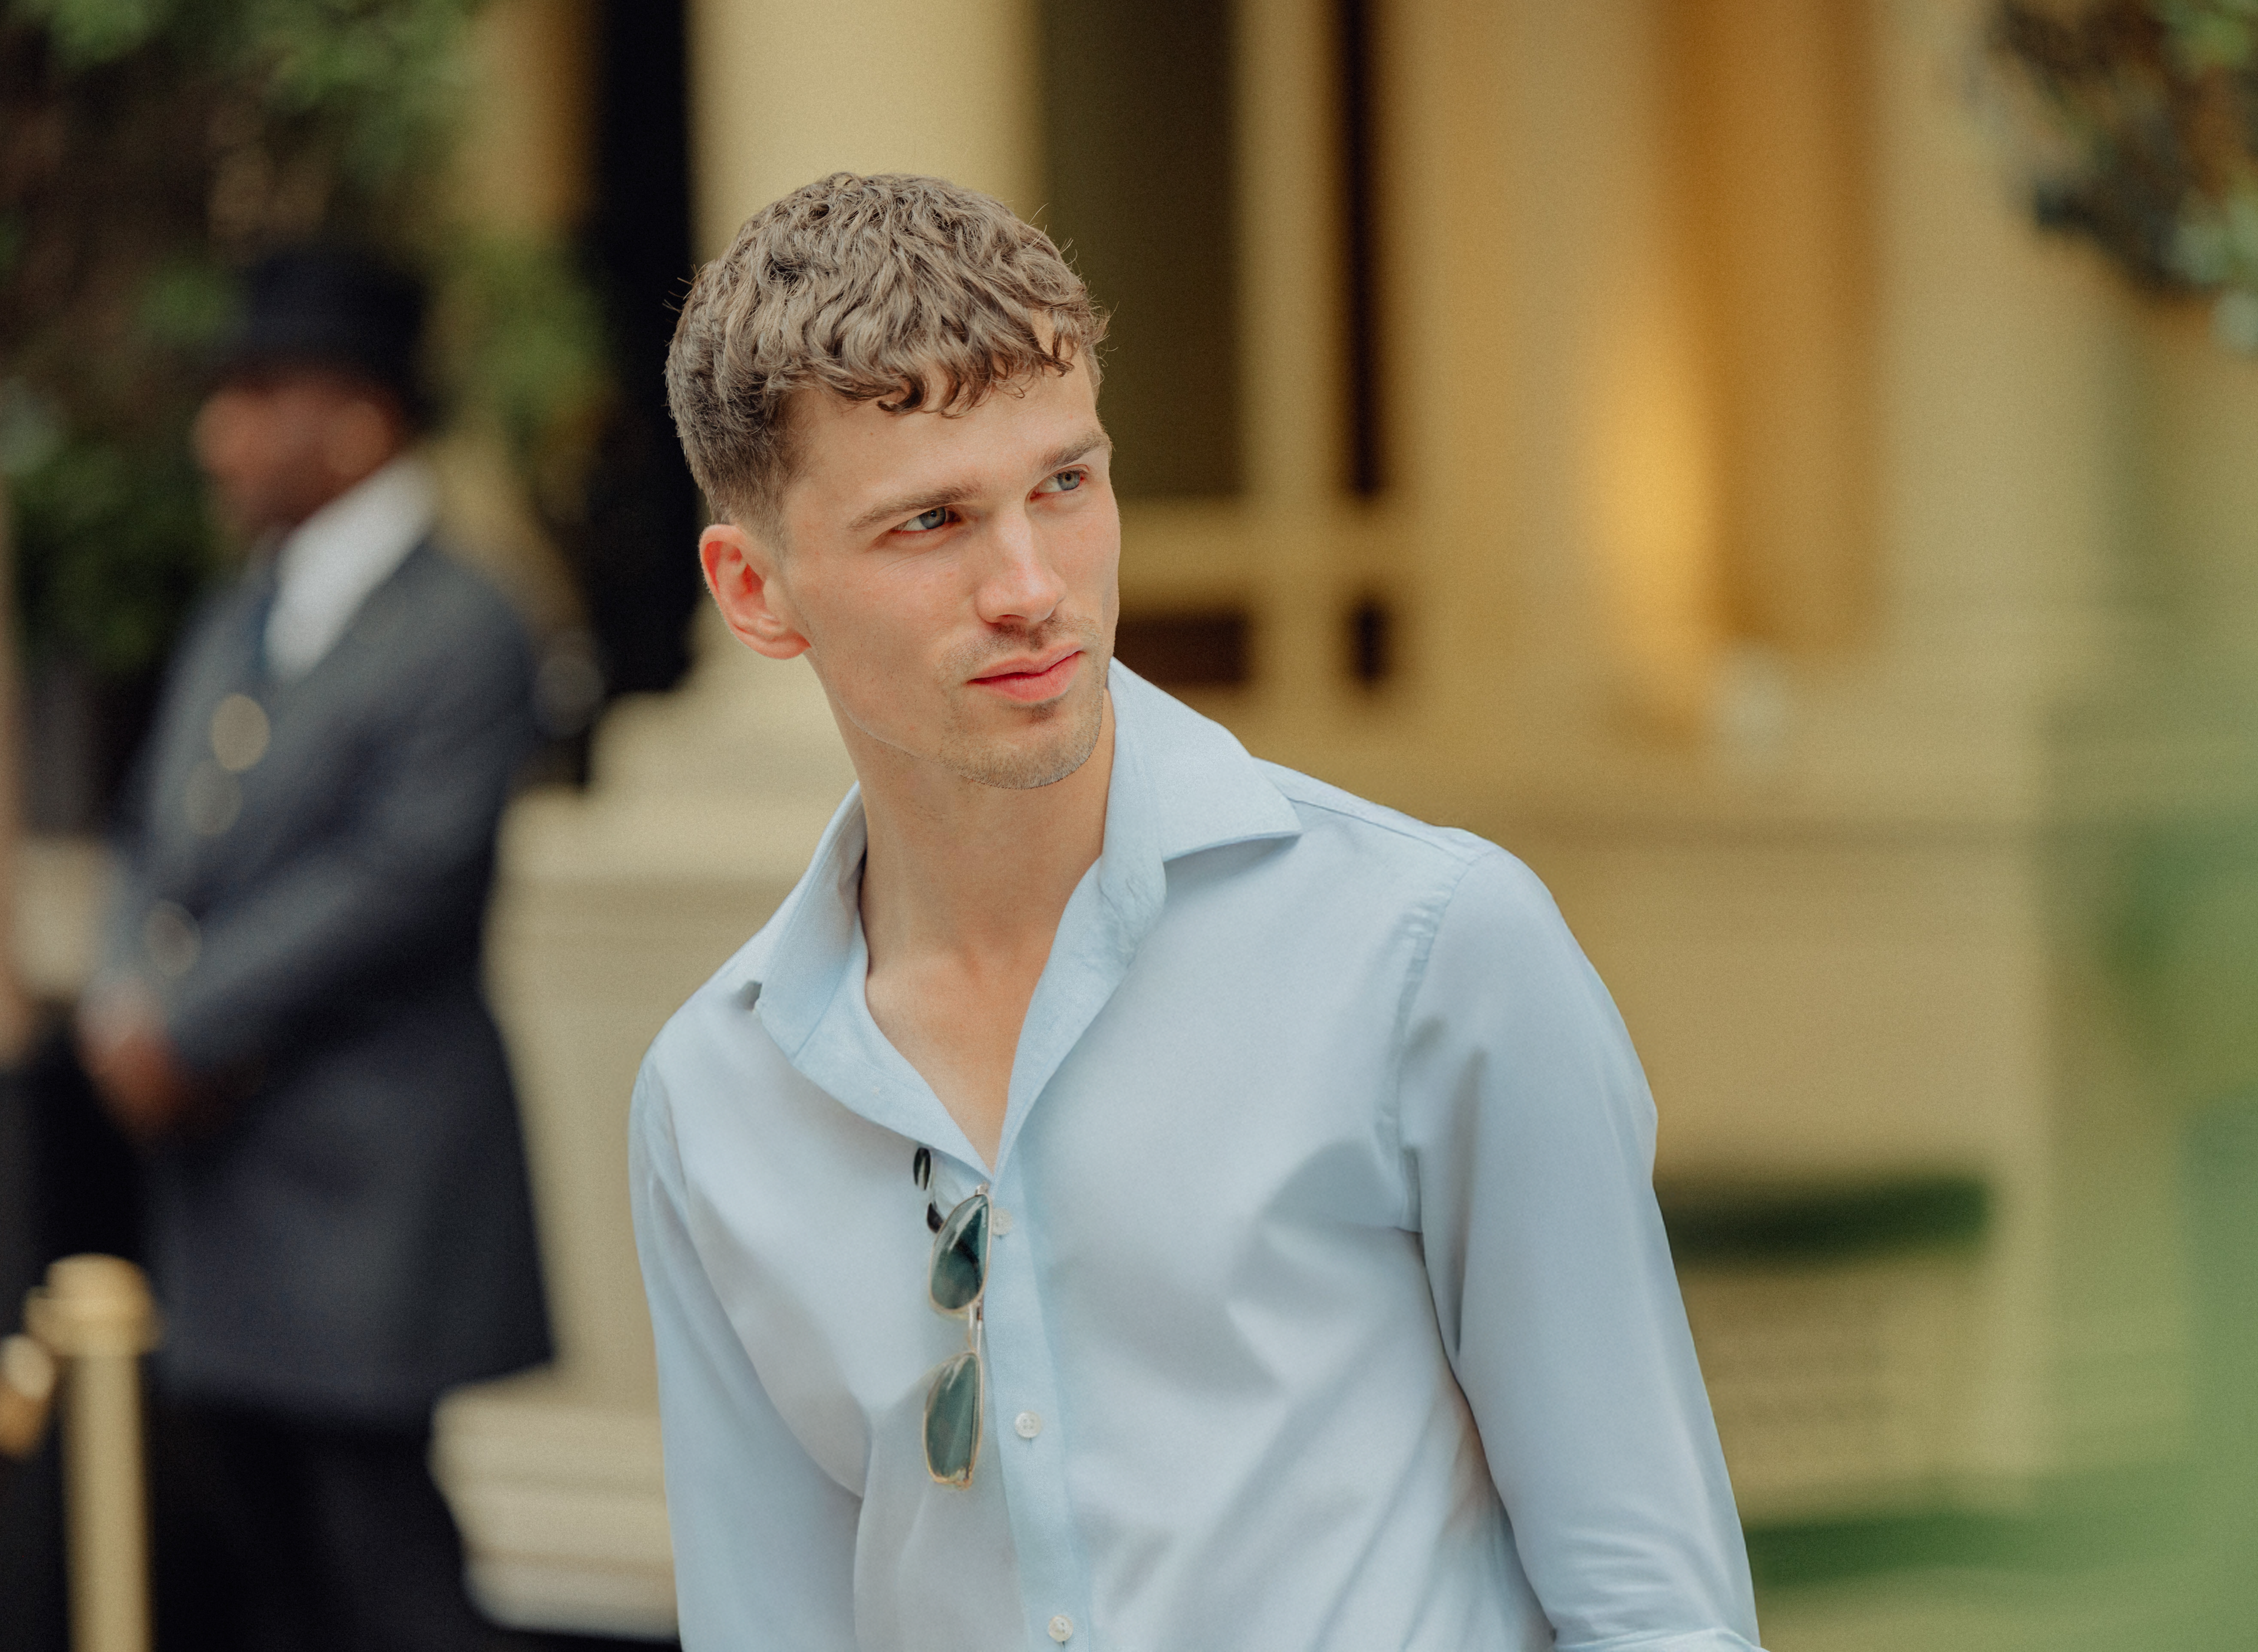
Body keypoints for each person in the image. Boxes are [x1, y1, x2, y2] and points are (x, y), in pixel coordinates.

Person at [632, 172, 1763, 1652]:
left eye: (1065, 484)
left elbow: (1656, 1606)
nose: (1030, 586)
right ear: (756, 592)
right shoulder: (716, 1095)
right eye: (932, 522)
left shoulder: (1434, 951)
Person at [78, 246, 550, 1652]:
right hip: (229, 1173)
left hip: (369, 1175)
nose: (215, 437)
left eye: (253, 398)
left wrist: (184, 1023)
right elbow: (150, 833)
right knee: (270, 1564)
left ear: (355, 418)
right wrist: (120, 994)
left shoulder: (465, 621)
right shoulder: (242, 610)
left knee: (385, 1564)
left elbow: (404, 879)